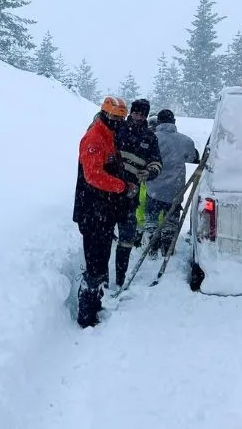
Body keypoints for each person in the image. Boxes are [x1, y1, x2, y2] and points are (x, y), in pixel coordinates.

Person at [72, 96, 140, 328]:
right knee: (94, 265)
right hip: (92, 212)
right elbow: (93, 175)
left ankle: (96, 304)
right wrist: (121, 186)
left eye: (121, 118)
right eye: (115, 117)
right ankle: (86, 315)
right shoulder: (94, 138)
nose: (118, 122)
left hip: (105, 211)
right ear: (105, 114)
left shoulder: (109, 136)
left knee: (101, 261)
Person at [112, 99, 162, 288]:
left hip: (131, 194)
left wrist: (149, 172)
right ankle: (99, 276)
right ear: (130, 113)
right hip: (109, 192)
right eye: (136, 113)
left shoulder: (150, 138)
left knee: (126, 238)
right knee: (104, 235)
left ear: (147, 116)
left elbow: (157, 162)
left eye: (142, 114)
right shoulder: (118, 129)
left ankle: (120, 279)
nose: (139, 116)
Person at [143, 109, 200, 258]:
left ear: (159, 122)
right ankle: (168, 242)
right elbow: (193, 157)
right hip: (175, 189)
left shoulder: (151, 138)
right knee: (170, 220)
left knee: (152, 218)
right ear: (174, 122)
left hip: (153, 188)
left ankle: (151, 243)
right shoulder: (185, 141)